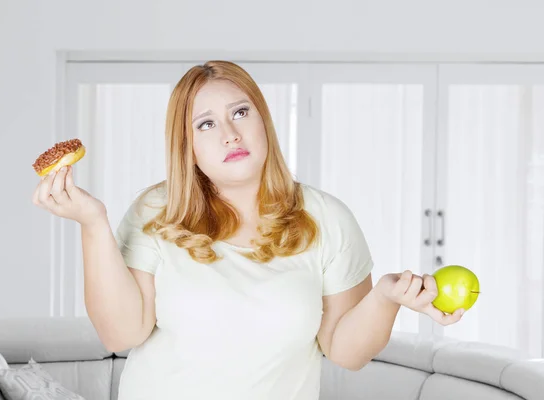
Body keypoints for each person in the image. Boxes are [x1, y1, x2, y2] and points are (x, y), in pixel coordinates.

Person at [32, 60, 464, 400]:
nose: (230, 134)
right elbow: (121, 333)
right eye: (206, 123)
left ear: (264, 122)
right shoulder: (154, 210)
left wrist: (386, 296)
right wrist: (93, 224)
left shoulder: (327, 218)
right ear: (188, 146)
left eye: (241, 112)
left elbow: (345, 352)